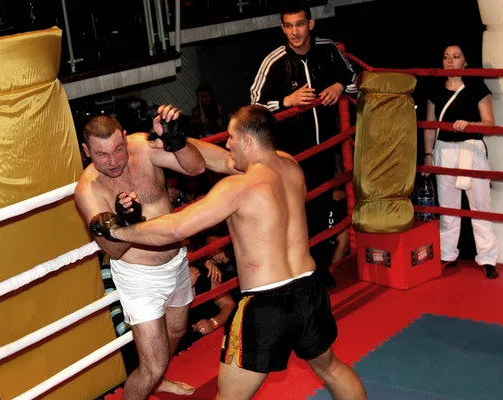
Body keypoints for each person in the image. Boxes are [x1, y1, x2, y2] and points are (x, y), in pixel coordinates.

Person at [101, 105, 367, 400]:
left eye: (230, 138)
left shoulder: (238, 188)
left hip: (266, 305)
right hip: (309, 289)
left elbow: (176, 228)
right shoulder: (290, 166)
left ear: (248, 142)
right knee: (331, 368)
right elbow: (223, 160)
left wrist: (117, 231)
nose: (226, 144)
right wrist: (178, 142)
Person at [74, 104, 206, 400]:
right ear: (86, 150)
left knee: (176, 331)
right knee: (152, 365)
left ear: (124, 136)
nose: (113, 161)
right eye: (102, 155)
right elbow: (113, 250)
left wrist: (177, 141)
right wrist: (126, 223)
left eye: (118, 150)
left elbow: (196, 168)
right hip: (139, 278)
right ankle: (153, 378)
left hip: (176, 262)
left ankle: (158, 381)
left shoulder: (142, 149)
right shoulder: (89, 190)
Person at [249, 1, 357, 288]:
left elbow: (354, 81)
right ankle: (296, 277)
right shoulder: (274, 61)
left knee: (321, 212)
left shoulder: (329, 50)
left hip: (324, 151)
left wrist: (338, 86)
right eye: (288, 26)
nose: (294, 31)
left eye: (299, 24)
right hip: (290, 156)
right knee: (293, 214)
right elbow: (254, 104)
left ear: (311, 24)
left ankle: (318, 270)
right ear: (282, 28)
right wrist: (287, 102)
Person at [423, 43, 499, 279]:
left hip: (472, 149)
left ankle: (487, 258)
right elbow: (429, 127)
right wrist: (428, 155)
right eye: (446, 57)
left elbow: (490, 124)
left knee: (480, 206)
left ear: (465, 61)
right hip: (444, 149)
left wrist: (469, 124)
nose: (450, 61)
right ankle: (447, 254)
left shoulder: (476, 86)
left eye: (456, 57)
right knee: (448, 206)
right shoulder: (435, 89)